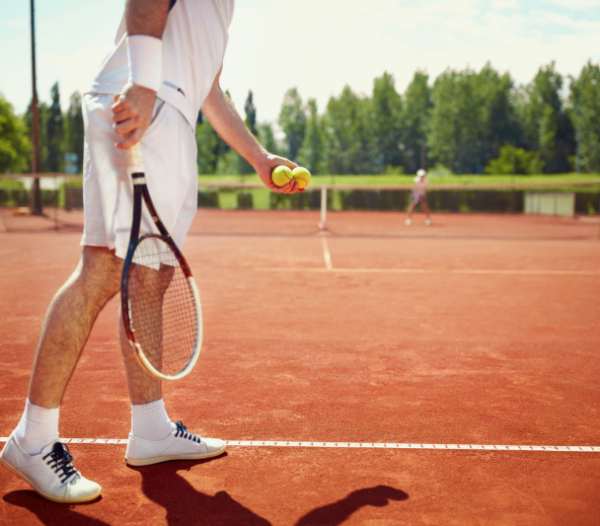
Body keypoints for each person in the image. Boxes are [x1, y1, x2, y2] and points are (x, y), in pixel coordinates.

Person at [0, 0, 301, 504]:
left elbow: (209, 87)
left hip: (172, 112)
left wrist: (259, 157)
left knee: (150, 276)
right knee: (104, 266)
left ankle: (150, 429)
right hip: (144, 101)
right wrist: (142, 84)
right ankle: (32, 439)